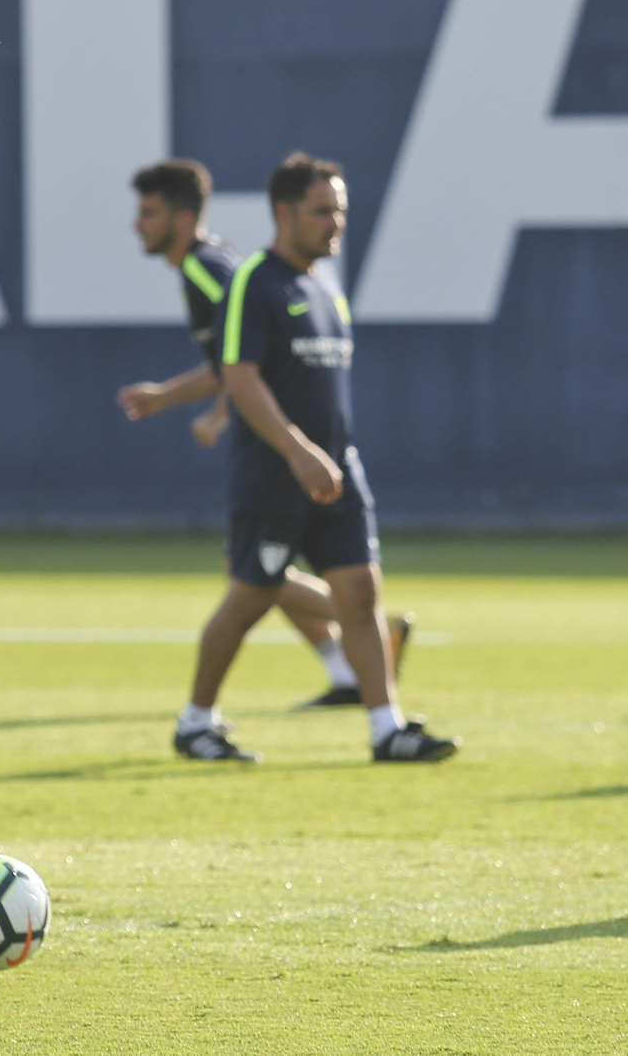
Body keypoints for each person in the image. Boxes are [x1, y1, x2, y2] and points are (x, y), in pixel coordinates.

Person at [173, 152, 458, 763]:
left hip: (338, 469)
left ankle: (387, 729)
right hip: (277, 474)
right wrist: (298, 451)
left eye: (341, 211)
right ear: (283, 213)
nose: (335, 223)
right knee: (250, 595)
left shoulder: (324, 288)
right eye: (322, 211)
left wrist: (329, 456)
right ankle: (196, 722)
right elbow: (239, 376)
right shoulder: (256, 280)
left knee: (360, 595)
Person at [117, 159, 410, 711]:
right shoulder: (215, 268)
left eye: (149, 212)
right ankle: (347, 664)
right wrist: (171, 398)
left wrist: (224, 413)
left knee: (252, 580)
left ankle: (359, 636)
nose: (138, 225)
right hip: (286, 446)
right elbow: (241, 356)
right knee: (258, 577)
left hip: (281, 453)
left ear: (183, 217)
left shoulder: (212, 270)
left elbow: (249, 353)